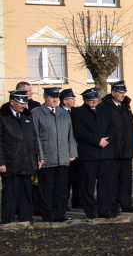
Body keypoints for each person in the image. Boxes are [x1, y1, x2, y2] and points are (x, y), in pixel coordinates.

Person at [31, 87, 77, 222]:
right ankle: (48, 215)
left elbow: (70, 134)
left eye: (57, 97)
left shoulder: (64, 113)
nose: (55, 100)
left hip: (62, 157)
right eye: (52, 97)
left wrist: (72, 152)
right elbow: (35, 137)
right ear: (45, 97)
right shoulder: (37, 113)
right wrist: (40, 156)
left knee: (61, 188)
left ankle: (60, 214)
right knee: (46, 189)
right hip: (47, 157)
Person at [71, 87, 118, 219]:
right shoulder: (78, 112)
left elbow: (113, 126)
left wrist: (106, 140)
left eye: (95, 98)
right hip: (89, 154)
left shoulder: (105, 110)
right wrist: (97, 140)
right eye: (90, 99)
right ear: (85, 100)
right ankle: (91, 211)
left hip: (105, 153)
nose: (94, 101)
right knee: (88, 185)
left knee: (105, 184)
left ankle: (104, 210)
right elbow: (80, 131)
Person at [0, 90, 41, 223]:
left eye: (25, 103)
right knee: (10, 194)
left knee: (26, 194)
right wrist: (2, 162)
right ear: (12, 102)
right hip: (11, 162)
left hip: (27, 161)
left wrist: (38, 157)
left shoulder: (27, 116)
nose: (24, 106)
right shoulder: (3, 117)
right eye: (21, 103)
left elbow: (34, 138)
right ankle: (8, 221)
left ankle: (26, 219)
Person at [101, 81, 133, 214]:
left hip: (127, 149)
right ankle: (113, 206)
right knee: (113, 181)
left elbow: (132, 128)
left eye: (124, 93)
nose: (123, 95)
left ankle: (126, 204)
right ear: (113, 93)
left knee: (126, 180)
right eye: (121, 93)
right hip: (114, 151)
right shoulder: (105, 107)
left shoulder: (126, 107)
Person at [60, 89, 82, 209]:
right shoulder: (60, 112)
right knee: (65, 180)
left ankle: (77, 200)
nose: (74, 100)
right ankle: (64, 202)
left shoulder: (75, 111)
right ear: (64, 101)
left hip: (77, 149)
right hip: (65, 150)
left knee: (77, 177)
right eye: (71, 98)